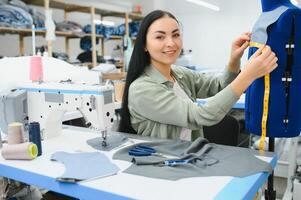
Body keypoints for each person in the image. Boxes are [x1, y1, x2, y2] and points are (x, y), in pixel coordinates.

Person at [118, 10, 278, 141]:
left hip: (191, 156)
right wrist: (247, 76)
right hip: (164, 166)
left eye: (175, 35)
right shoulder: (141, 89)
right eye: (160, 37)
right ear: (144, 45)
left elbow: (217, 86)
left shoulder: (178, 73)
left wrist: (234, 59)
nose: (171, 43)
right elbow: (201, 116)